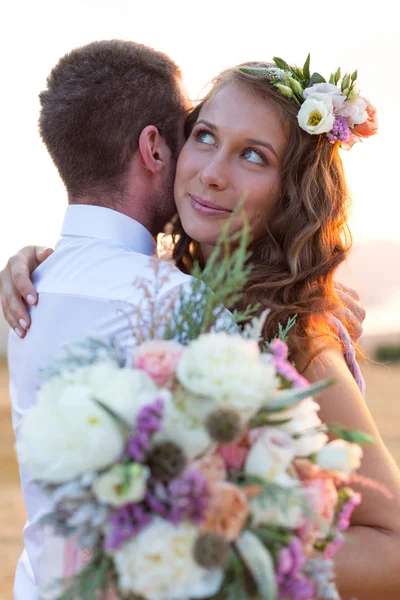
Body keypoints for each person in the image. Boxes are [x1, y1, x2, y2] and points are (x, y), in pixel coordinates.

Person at [3, 42, 400, 599]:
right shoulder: (169, 291)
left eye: (254, 155)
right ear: (165, 148)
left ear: (290, 192)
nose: (212, 173)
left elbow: (392, 547)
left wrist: (219, 549)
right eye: (205, 136)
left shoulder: (292, 333)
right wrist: (41, 263)